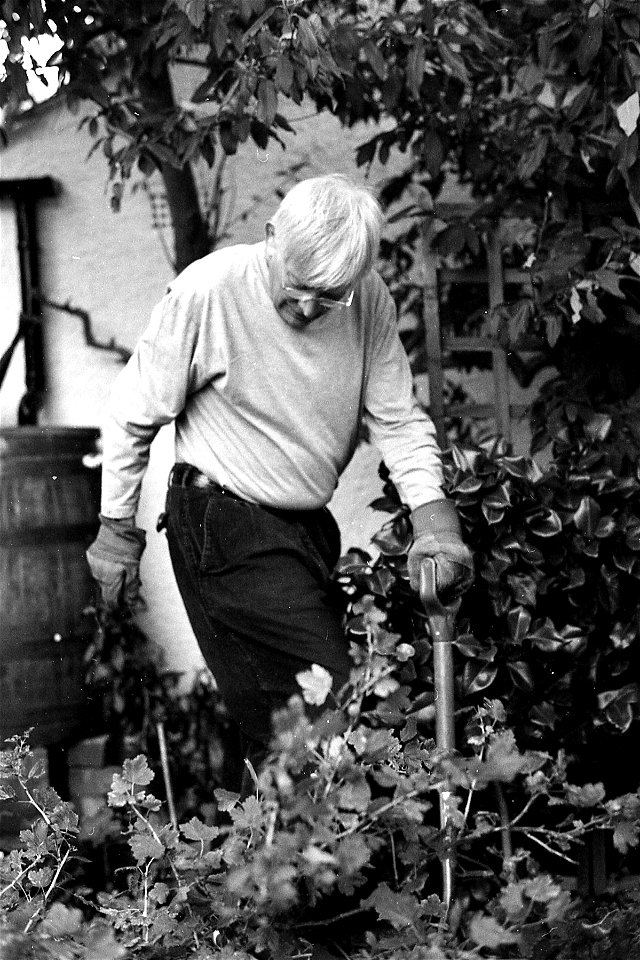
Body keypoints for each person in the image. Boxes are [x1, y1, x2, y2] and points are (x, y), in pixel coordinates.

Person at [86, 173, 473, 789]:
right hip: (223, 521)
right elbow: (133, 413)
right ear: (271, 239)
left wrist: (435, 521)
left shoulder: (367, 299)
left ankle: (250, 877)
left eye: (331, 296)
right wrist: (115, 530)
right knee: (331, 707)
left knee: (282, 738)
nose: (311, 308)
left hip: (303, 530)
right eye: (298, 290)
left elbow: (397, 419)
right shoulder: (209, 290)